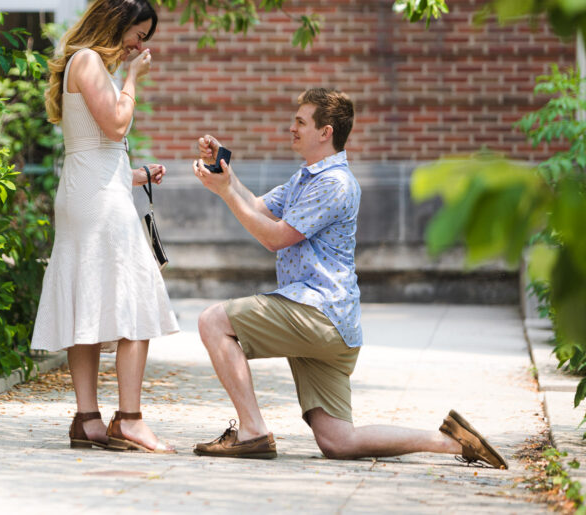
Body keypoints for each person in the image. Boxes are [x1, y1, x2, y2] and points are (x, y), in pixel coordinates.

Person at [189, 88, 507, 469]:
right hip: (334, 327)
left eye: (300, 122)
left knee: (213, 321)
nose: (291, 128)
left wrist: (225, 194)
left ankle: (252, 431)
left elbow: (275, 238)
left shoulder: (334, 183)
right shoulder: (307, 177)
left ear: (325, 132)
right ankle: (452, 442)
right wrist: (227, 175)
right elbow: (257, 207)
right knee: (339, 442)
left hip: (317, 313)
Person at [31, 0, 179, 453]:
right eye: (138, 35)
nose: (139, 47)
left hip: (91, 189)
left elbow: (93, 147)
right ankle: (130, 420)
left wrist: (134, 175)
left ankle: (88, 419)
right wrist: (133, 79)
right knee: (135, 300)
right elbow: (116, 126)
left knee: (89, 301)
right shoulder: (91, 61)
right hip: (97, 200)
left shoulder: (83, 62)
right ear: (117, 24)